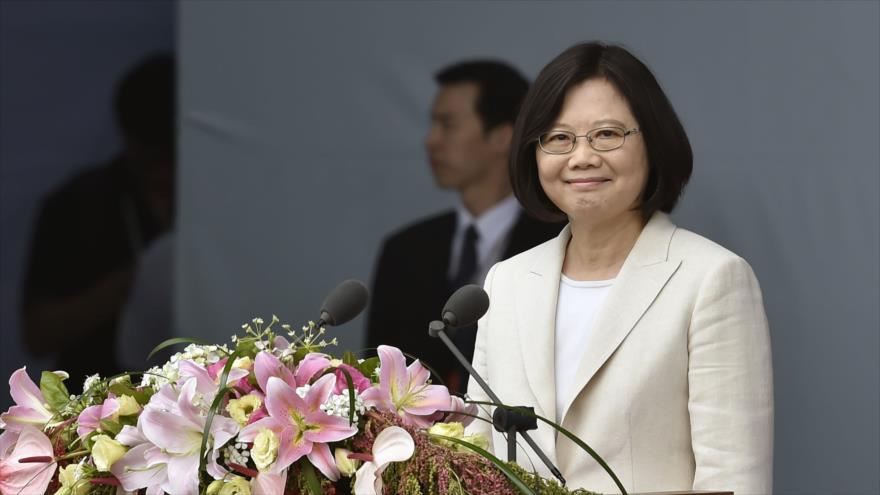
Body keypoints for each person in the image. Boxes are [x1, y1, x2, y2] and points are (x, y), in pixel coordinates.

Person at [466, 42, 773, 494]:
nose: (582, 157)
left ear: (653, 142)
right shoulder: (506, 282)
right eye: (558, 138)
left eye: (607, 134)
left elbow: (733, 477)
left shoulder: (711, 279)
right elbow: (476, 460)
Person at [366, 61, 563, 393]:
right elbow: (377, 372)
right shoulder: (404, 249)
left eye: (448, 125)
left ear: (503, 136)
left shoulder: (560, 240)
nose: (432, 141)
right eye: (433, 125)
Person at [21, 54, 175, 391]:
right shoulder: (79, 204)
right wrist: (138, 282)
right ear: (128, 137)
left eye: (170, 156)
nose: (163, 173)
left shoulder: (221, 202)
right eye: (153, 157)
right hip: (96, 398)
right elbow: (38, 334)